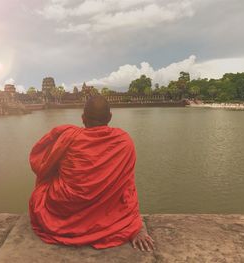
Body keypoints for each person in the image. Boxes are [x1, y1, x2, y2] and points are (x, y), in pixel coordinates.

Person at [29, 95, 154, 252]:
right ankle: (114, 222)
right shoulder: (123, 140)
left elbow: (41, 163)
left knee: (41, 190)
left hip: (63, 208)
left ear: (83, 118)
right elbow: (127, 187)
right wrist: (135, 225)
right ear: (109, 117)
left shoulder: (68, 136)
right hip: (109, 214)